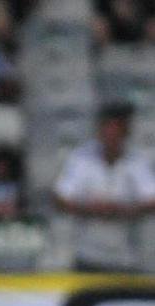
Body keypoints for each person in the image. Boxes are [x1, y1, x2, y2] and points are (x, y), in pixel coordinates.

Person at [54, 102, 155, 272]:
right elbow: (61, 199)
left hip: (126, 257)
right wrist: (91, 209)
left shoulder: (137, 161)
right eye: (108, 130)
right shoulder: (81, 159)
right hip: (88, 255)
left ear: (125, 133)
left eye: (117, 131)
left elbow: (152, 200)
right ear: (100, 131)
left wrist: (123, 210)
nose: (112, 137)